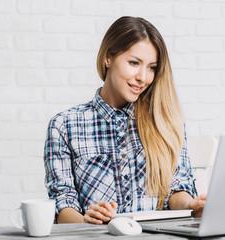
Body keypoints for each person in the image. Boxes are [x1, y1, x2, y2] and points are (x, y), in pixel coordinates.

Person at [44, 16, 206, 224]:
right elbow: (62, 204)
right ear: (108, 58)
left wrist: (190, 205)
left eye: (151, 67)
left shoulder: (165, 122)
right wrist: (86, 220)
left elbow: (177, 188)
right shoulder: (64, 126)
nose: (143, 77)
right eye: (134, 63)